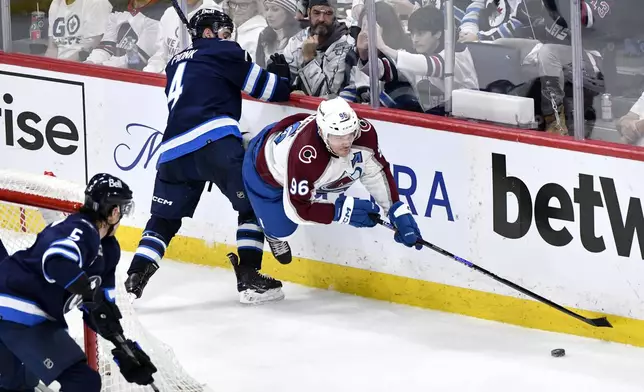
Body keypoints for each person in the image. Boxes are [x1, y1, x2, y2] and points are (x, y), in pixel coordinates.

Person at [125, 8, 291, 305]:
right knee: (253, 204)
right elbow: (269, 90)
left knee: (163, 219)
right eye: (223, 33)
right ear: (208, 33)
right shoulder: (225, 52)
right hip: (215, 142)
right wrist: (281, 75)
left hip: (172, 151)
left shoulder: (175, 63)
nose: (228, 38)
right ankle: (250, 275)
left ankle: (135, 278)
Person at [241, 97, 423, 289]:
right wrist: (339, 213)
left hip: (291, 145)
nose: (346, 142)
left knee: (333, 175)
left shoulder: (364, 133)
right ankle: (271, 232)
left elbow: (375, 171)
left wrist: (395, 208)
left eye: (350, 134)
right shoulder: (306, 154)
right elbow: (297, 210)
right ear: (322, 132)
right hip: (264, 171)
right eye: (337, 137)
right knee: (283, 230)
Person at [0, 173, 157, 392]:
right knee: (82, 383)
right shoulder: (82, 228)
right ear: (114, 212)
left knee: (16, 385)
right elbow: (56, 262)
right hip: (17, 308)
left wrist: (125, 349)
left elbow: (101, 310)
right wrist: (89, 293)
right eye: (123, 210)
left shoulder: (109, 250)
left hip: (21, 312)